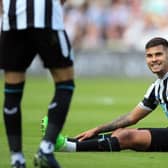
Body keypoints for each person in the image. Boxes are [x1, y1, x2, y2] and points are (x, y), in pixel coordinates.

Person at [43, 37, 168, 152]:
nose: (154, 59)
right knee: (119, 133)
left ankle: (68, 147)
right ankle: (68, 142)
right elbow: (131, 118)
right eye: (149, 56)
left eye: (158, 54)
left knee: (128, 136)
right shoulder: (156, 87)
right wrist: (97, 129)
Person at [0, 0, 75, 168]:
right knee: (65, 83)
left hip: (13, 21)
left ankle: (17, 159)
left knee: (12, 90)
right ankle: (45, 149)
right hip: (46, 18)